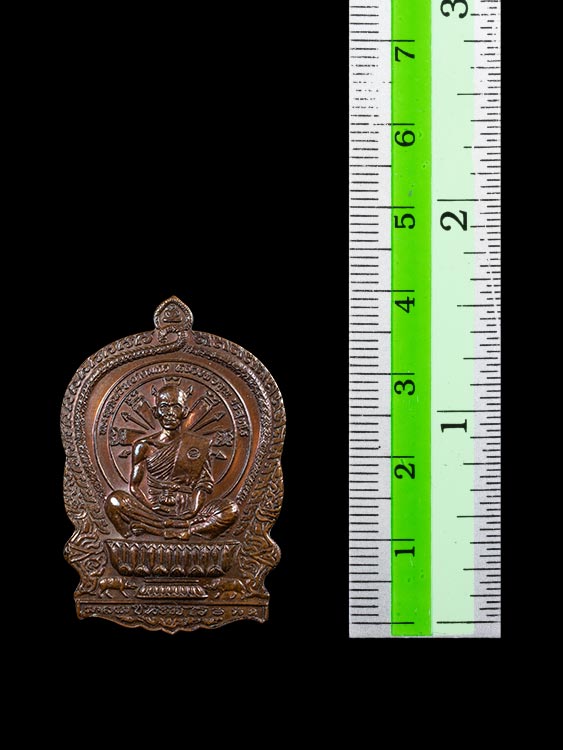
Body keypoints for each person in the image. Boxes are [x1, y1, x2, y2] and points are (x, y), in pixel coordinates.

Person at [105, 383, 238, 540]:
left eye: (176, 407)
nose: (170, 413)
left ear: (185, 411)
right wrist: (152, 506)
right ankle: (166, 530)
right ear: (156, 412)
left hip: (187, 511)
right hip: (152, 510)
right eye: (164, 407)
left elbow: (204, 483)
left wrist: (194, 510)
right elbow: (134, 486)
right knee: (114, 501)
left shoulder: (199, 445)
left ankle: (166, 529)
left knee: (230, 509)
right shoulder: (143, 446)